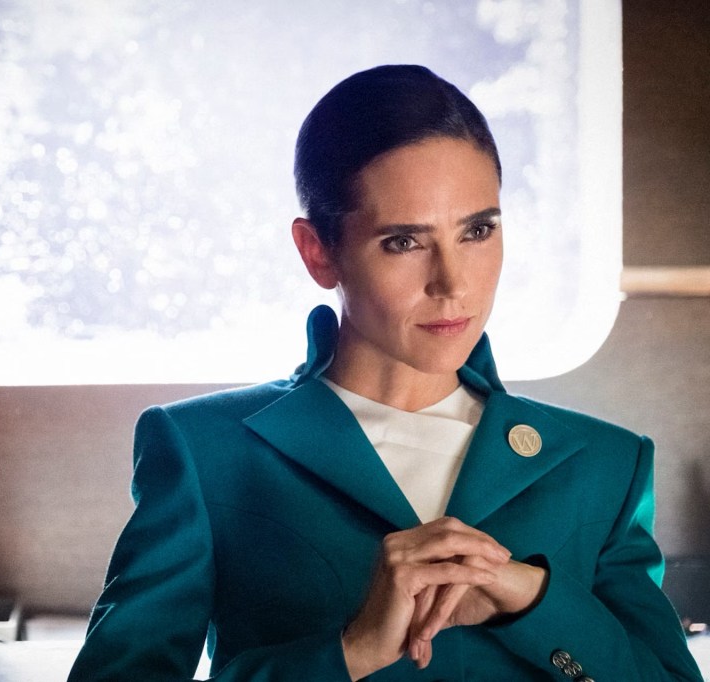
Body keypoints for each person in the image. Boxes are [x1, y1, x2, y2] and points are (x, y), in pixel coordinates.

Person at [68, 65, 702, 681]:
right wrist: (353, 652)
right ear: (318, 252)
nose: (452, 284)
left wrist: (531, 597)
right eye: (404, 241)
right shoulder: (206, 452)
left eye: (478, 230)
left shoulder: (605, 465)